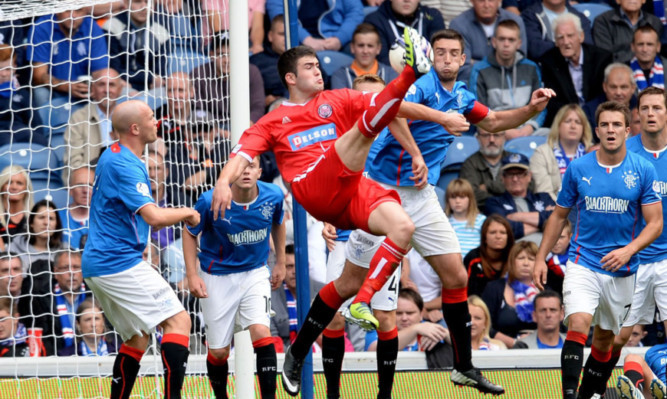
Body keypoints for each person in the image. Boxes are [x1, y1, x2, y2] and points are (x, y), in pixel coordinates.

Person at [211, 29, 467, 397]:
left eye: (319, 65)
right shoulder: (274, 119)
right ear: (289, 78)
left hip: (352, 188)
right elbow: (242, 155)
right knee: (363, 129)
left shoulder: (338, 98)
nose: (318, 71)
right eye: (309, 67)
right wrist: (223, 182)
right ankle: (410, 73)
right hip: (315, 186)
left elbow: (392, 106)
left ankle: (307, 344)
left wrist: (440, 118)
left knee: (402, 226)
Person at [340, 27, 553, 395]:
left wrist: (531, 109)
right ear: (432, 56)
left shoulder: (463, 95)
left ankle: (463, 366)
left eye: (454, 53)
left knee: (456, 277)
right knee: (346, 283)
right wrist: (421, 151)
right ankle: (301, 350)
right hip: (383, 190)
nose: (447, 59)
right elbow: (392, 110)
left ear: (463, 59)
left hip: (421, 197)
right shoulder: (422, 85)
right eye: (440, 53)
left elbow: (495, 122)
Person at [534, 101, 663, 399]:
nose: (610, 130)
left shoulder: (642, 169)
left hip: (622, 269)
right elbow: (558, 215)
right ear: (596, 130)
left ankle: (587, 395)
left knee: (605, 342)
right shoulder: (579, 168)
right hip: (583, 261)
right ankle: (569, 395)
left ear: (627, 130)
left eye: (617, 125)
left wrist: (629, 250)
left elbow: (655, 223)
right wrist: (541, 256)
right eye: (604, 125)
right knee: (578, 322)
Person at [82, 99, 200, 399]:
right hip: (117, 263)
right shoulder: (125, 165)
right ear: (135, 128)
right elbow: (155, 218)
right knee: (179, 320)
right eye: (150, 118)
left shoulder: (115, 154)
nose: (156, 122)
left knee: (137, 338)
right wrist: (189, 211)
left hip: (101, 264)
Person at [184, 155, 285, 399]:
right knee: (219, 352)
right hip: (217, 275)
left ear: (260, 171)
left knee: (262, 332)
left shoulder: (274, 196)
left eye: (252, 166)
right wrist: (191, 274)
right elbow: (189, 231)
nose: (246, 172)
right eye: (241, 167)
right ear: (230, 171)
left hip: (255, 272)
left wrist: (280, 260)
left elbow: (278, 222)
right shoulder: (209, 201)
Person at [601, 87, 667, 395]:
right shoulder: (622, 151)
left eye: (658, 107)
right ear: (636, 114)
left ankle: (649, 378)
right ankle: (599, 388)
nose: (651, 113)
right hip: (634, 260)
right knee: (616, 337)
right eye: (645, 108)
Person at [468, 19, 543, 138]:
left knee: (550, 135)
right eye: (502, 39)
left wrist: (529, 128)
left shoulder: (531, 68)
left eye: (511, 40)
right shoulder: (479, 70)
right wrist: (504, 131)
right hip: (493, 130)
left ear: (519, 43)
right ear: (494, 42)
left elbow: (541, 106)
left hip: (527, 129)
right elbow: (477, 110)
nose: (506, 44)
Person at [539, 13, 612, 126]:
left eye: (570, 36)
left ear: (581, 36)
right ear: (556, 42)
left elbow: (604, 96)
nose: (566, 42)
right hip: (565, 121)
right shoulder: (549, 62)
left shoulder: (601, 59)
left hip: (596, 118)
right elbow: (553, 102)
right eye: (560, 37)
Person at [27, 8, 110, 107]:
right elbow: (38, 75)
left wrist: (92, 86)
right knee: (40, 93)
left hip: (85, 90)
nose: (73, 16)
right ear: (57, 10)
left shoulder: (92, 27)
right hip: (54, 90)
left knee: (124, 92)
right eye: (68, 10)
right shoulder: (42, 27)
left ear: (86, 11)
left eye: (78, 10)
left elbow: (100, 71)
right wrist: (66, 86)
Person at [191, 31, 265, 125]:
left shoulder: (251, 72)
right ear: (211, 55)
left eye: (231, 54)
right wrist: (218, 130)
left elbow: (258, 106)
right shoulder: (199, 73)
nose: (227, 60)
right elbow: (198, 109)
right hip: (211, 128)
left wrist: (246, 125)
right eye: (221, 55)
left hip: (244, 127)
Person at [63, 68, 123, 182]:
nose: (107, 90)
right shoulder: (78, 118)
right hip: (91, 183)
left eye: (112, 85)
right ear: (93, 89)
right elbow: (74, 161)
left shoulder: (128, 116)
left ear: (120, 90)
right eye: (101, 84)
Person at [449, 0, 528, 82]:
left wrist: (475, 63)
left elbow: (520, 62)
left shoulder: (515, 21)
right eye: (481, 1)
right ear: (472, 1)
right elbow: (462, 69)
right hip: (472, 86)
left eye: (491, 0)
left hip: (511, 85)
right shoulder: (459, 24)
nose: (486, 5)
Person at [484, 153, 556, 241]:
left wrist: (517, 216)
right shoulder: (494, 202)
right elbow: (504, 230)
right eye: (510, 174)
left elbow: (557, 221)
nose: (515, 179)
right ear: (502, 178)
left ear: (529, 176)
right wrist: (544, 224)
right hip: (515, 252)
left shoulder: (544, 198)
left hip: (548, 251)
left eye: (520, 174)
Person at [530, 104, 593, 201]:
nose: (573, 126)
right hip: (555, 211)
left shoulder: (593, 153)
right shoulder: (542, 153)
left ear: (584, 128)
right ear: (558, 125)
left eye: (578, 122)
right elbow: (544, 193)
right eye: (568, 121)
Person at [482, 241, 539, 348]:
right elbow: (484, 325)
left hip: (538, 347)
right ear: (512, 262)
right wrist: (514, 342)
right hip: (501, 347)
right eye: (521, 258)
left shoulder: (545, 291)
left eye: (531, 259)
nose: (526, 263)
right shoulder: (494, 288)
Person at [102, 0, 169, 92]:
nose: (144, 7)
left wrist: (157, 80)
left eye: (148, 2)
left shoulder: (161, 31)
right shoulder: (112, 27)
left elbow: (159, 72)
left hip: (150, 87)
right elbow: (113, 68)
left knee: (162, 94)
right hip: (121, 84)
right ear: (126, 4)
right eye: (137, 2)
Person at [365, 288, 451, 354]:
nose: (404, 318)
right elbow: (375, 351)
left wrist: (446, 334)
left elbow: (463, 348)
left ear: (421, 314)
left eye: (410, 313)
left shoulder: (430, 328)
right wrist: (415, 329)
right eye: (398, 313)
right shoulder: (379, 329)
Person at [364, 0, 446, 65]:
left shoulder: (433, 16)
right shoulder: (374, 21)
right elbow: (383, 60)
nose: (407, 0)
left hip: (428, 78)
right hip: (392, 79)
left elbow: (439, 53)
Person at [41, 251, 89, 356]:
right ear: (56, 272)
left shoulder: (95, 296)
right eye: (66, 268)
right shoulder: (43, 299)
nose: (72, 273)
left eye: (76, 267)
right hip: (57, 361)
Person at [0, 43, 48, 147]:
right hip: (2, 134)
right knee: (9, 144)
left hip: (19, 130)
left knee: (40, 141)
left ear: (15, 68)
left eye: (8, 69)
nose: (4, 74)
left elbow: (36, 123)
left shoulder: (22, 94)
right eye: (0, 69)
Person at [266, 0, 363, 51]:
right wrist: (306, 39)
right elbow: (280, 16)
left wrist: (339, 39)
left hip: (336, 40)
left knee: (361, 49)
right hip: (297, 41)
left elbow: (356, 12)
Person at [592, 0, 663, 64]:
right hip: (617, 72)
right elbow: (604, 58)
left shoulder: (655, 22)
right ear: (618, 1)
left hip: (648, 71)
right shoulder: (603, 21)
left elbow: (656, 54)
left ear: (643, 0)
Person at [460, 127, 513, 212]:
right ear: (478, 138)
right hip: (481, 214)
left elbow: (528, 186)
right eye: (486, 135)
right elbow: (470, 195)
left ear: (504, 137)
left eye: (496, 135)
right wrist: (505, 196)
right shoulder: (470, 164)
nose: (491, 140)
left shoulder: (514, 160)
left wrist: (488, 186)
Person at [331, 23, 397, 90]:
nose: (365, 51)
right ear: (352, 47)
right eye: (361, 45)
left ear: (378, 49)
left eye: (370, 46)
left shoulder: (391, 74)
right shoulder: (340, 75)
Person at [520, 0, 592, 61]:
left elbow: (588, 48)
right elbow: (536, 49)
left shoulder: (580, 18)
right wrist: (569, 48)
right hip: (545, 71)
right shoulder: (529, 16)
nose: (566, 42)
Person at [9, 200, 68, 272]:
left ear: (57, 224)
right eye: (41, 217)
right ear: (31, 222)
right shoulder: (13, 249)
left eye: (51, 219)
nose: (46, 223)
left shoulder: (65, 251)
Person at [465, 214, 515, 297]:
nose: (498, 236)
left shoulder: (515, 257)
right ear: (484, 237)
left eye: (502, 233)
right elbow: (465, 292)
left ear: (508, 237)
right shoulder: (473, 258)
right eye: (493, 232)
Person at [583, 63, 638, 130]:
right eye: (613, 87)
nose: (618, 93)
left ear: (633, 88)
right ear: (604, 87)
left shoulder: (641, 108)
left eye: (623, 87)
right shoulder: (589, 112)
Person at [250, 15, 289, 107]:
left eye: (291, 33)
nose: (287, 38)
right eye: (282, 34)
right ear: (270, 36)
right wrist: (263, 99)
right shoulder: (256, 61)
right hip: (268, 111)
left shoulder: (308, 57)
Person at [444, 178, 486, 258]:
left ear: (470, 199)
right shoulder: (444, 222)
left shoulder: (481, 221)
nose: (457, 201)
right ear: (447, 200)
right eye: (453, 197)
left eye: (462, 197)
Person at [59, 167, 94, 250]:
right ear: (70, 189)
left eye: (90, 185)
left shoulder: (104, 220)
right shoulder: (57, 218)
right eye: (80, 185)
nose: (85, 190)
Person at [0, 166, 32, 250]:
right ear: (2, 187)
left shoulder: (34, 217)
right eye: (9, 182)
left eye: (19, 183)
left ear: (26, 189)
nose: (14, 187)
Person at [630, 25, 666, 91]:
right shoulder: (622, 70)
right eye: (640, 44)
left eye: (649, 44)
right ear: (632, 46)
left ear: (658, 47)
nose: (645, 49)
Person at [543, 219, 572, 295]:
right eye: (552, 237)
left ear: (570, 237)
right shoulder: (540, 261)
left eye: (561, 237)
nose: (556, 242)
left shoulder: (578, 259)